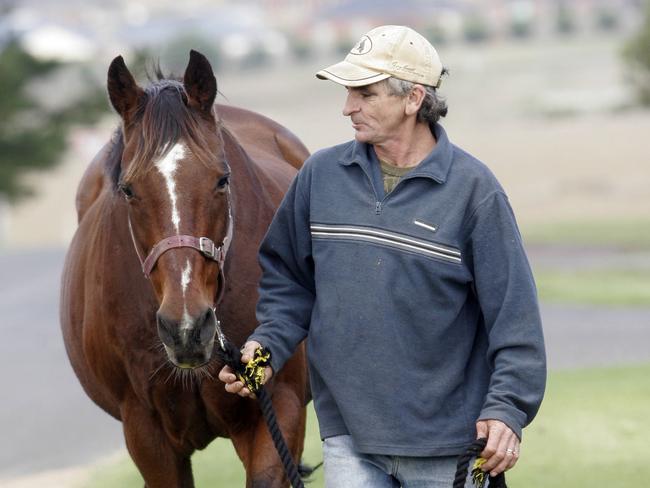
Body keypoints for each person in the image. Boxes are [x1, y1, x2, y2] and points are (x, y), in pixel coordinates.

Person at [219, 25, 546, 487]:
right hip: (349, 439)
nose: (348, 107)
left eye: (365, 94)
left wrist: (507, 410)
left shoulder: (475, 193)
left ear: (413, 99)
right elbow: (289, 282)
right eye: (349, 92)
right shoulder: (319, 176)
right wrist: (266, 347)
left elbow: (515, 320)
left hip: (450, 445)